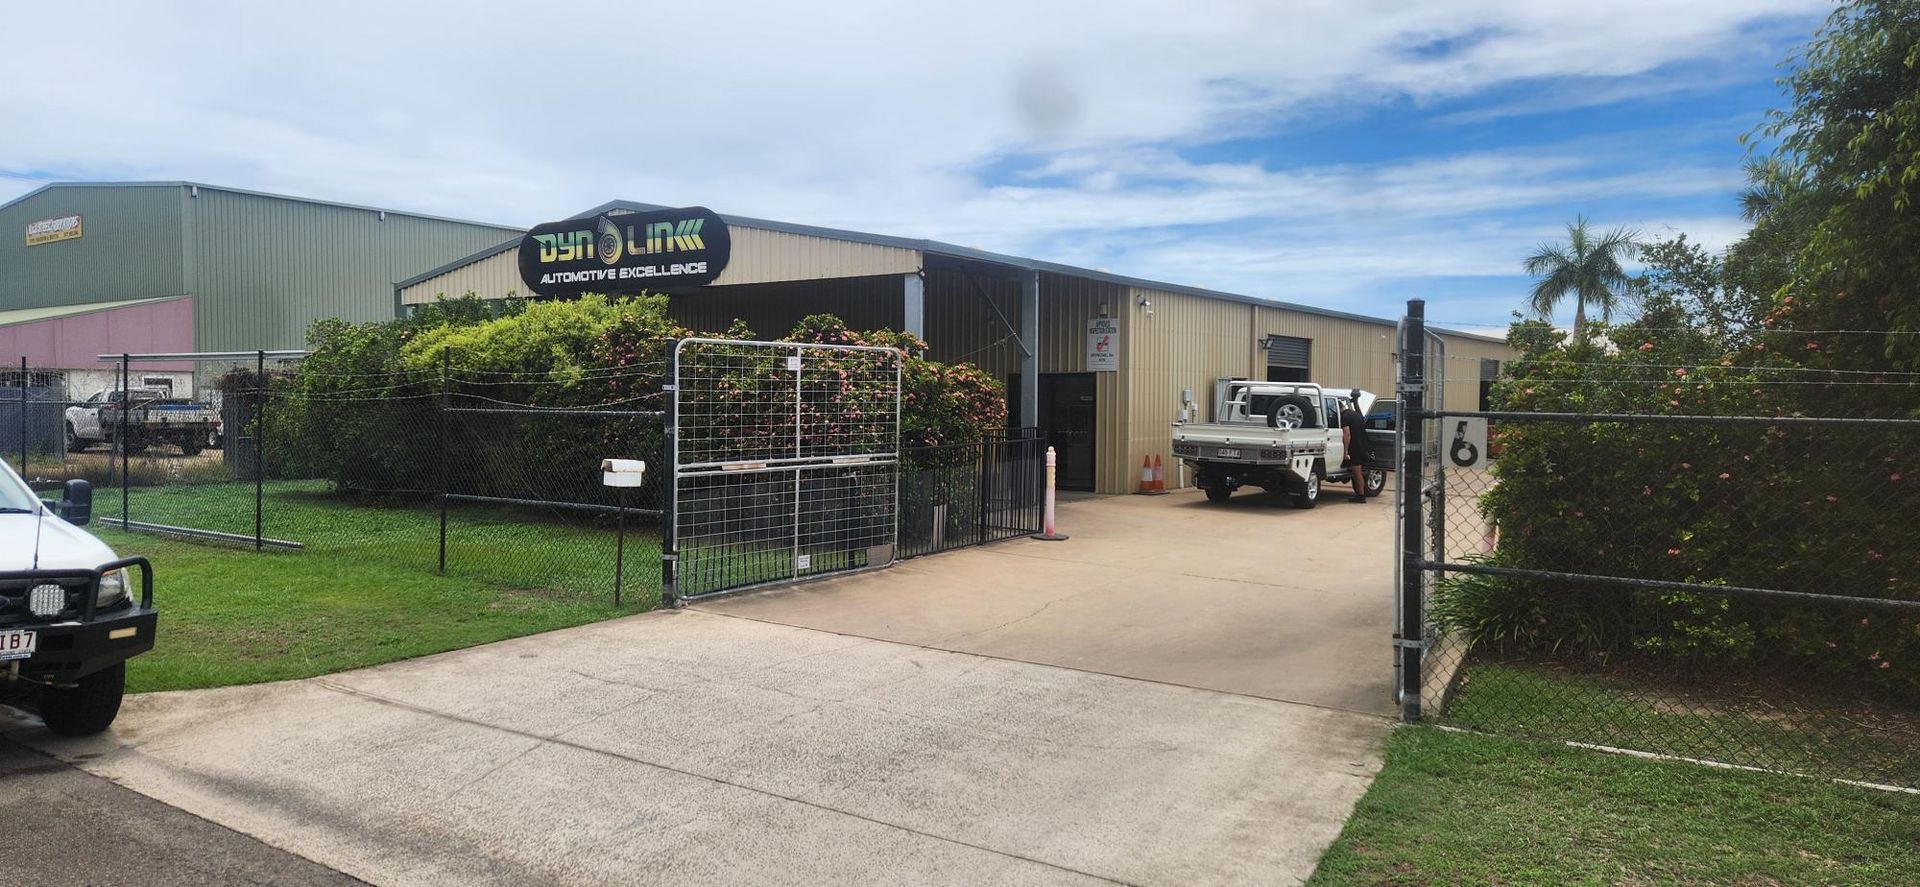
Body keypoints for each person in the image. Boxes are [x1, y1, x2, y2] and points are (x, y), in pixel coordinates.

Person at [1339, 393, 1369, 503]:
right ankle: (1360, 494)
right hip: (1362, 445)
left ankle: (1361, 496)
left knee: (1357, 471)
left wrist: (1345, 451)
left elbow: (1347, 434)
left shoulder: (1344, 417)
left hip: (1355, 447)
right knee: (1357, 471)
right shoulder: (1355, 414)